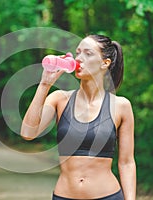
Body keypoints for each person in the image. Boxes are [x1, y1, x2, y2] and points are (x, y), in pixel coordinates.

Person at [20, 34, 136, 200]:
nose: (79, 58)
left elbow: (127, 163)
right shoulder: (59, 99)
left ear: (105, 63)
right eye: (78, 52)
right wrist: (45, 84)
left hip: (108, 196)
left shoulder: (121, 106)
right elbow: (27, 133)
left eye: (88, 54)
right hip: (64, 196)